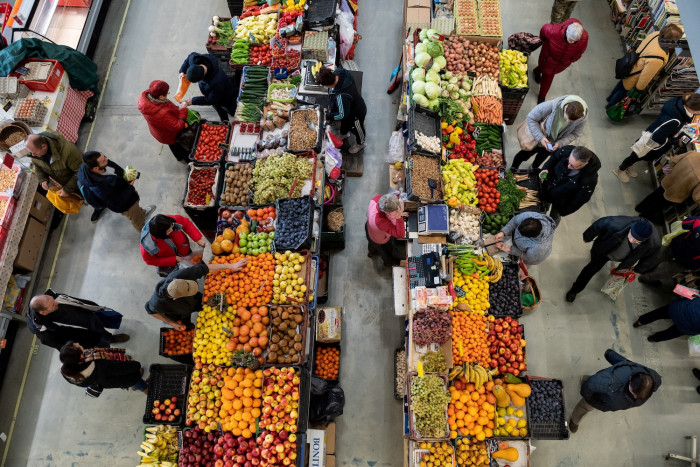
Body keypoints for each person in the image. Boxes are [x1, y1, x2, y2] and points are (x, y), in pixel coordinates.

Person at [566, 217, 660, 302]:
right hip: (605, 251)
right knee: (590, 269)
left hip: (626, 260)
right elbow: (600, 224)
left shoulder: (654, 243)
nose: (631, 240)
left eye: (636, 240)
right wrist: (587, 237)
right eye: (631, 235)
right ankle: (575, 289)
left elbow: (651, 258)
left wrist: (638, 270)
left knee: (616, 276)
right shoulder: (618, 224)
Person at [569, 348, 661, 434]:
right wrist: (589, 398)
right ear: (631, 378)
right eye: (633, 391)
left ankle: (586, 381)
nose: (635, 397)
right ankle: (575, 419)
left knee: (593, 386)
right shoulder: (613, 380)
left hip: (603, 391)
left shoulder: (652, 377)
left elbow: (628, 364)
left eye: (636, 395)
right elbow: (590, 386)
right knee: (586, 404)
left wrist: (610, 355)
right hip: (602, 387)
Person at [613, 94, 700, 182]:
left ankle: (628, 165)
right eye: (698, 111)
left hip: (653, 130)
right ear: (694, 109)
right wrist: (676, 142)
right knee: (638, 154)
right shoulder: (675, 120)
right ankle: (620, 169)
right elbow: (658, 137)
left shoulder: (679, 103)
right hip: (653, 140)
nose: (698, 113)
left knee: (639, 154)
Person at [145, 260, 247, 329]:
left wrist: (231, 266)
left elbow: (205, 268)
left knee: (204, 304)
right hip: (179, 312)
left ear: (176, 280)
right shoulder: (157, 303)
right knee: (186, 324)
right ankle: (189, 325)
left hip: (194, 301)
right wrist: (172, 323)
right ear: (176, 298)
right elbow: (150, 311)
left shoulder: (178, 275)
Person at [607, 24, 684, 109]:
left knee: (621, 84)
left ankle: (610, 97)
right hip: (635, 75)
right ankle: (611, 105)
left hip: (630, 66)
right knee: (623, 91)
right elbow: (646, 75)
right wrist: (639, 88)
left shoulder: (656, 34)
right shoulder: (659, 57)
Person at [28, 291, 128, 350]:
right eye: (52, 305)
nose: (56, 303)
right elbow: (64, 347)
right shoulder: (46, 334)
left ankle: (111, 339)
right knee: (101, 344)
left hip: (88, 319)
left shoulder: (52, 298)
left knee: (99, 328)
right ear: (43, 312)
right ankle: (108, 349)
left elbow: (74, 301)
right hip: (84, 336)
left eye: (52, 299)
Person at [78, 151, 156, 227]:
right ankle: (146, 234)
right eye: (103, 160)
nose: (107, 159)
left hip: (125, 190)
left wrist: (128, 176)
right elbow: (119, 202)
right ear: (95, 168)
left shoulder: (100, 164)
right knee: (138, 221)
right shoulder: (101, 188)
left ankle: (141, 213)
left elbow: (116, 168)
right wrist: (130, 186)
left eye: (104, 156)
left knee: (137, 207)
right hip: (126, 205)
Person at [511, 95, 588, 170]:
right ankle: (513, 168)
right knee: (523, 155)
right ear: (565, 107)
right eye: (566, 118)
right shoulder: (550, 106)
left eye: (571, 121)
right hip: (537, 138)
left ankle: (533, 168)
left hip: (553, 144)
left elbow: (574, 134)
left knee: (540, 159)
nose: (567, 122)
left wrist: (559, 143)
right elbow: (531, 118)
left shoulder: (582, 119)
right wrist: (540, 138)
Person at [634, 151, 700, 225]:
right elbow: (696, 197)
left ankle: (640, 207)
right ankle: (643, 216)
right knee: (660, 204)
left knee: (655, 195)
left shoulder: (694, 154)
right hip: (676, 193)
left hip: (668, 180)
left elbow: (673, 161)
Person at [539, 145, 600, 225]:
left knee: (554, 217)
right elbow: (553, 159)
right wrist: (545, 169)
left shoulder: (589, 180)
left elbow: (580, 200)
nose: (568, 166)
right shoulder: (565, 151)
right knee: (542, 207)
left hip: (561, 200)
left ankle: (550, 227)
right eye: (568, 161)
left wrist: (563, 211)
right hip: (548, 188)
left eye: (573, 166)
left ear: (585, 164)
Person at [59, 341, 148, 393]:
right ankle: (146, 389)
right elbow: (124, 368)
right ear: (81, 357)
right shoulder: (100, 366)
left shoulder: (69, 370)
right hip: (126, 378)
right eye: (76, 346)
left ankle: (134, 385)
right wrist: (136, 365)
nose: (78, 343)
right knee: (137, 382)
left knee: (131, 382)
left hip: (111, 381)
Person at [534, 19, 588, 103]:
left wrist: (571, 60)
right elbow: (543, 32)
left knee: (546, 72)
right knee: (547, 77)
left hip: (561, 64)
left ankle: (536, 71)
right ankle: (542, 97)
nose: (572, 42)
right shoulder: (552, 31)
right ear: (566, 32)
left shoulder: (584, 38)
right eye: (570, 39)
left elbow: (580, 52)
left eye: (574, 41)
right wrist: (545, 45)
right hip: (548, 59)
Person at [316, 66, 368, 154]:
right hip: (348, 108)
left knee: (357, 129)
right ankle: (344, 133)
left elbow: (342, 115)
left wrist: (327, 116)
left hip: (355, 114)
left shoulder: (342, 96)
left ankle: (361, 143)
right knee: (344, 123)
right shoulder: (340, 72)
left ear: (328, 85)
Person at [639, 216, 700, 288]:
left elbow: (685, 223)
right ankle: (645, 278)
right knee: (667, 271)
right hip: (689, 261)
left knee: (659, 256)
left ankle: (641, 268)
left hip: (679, 244)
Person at [137, 80, 191, 162]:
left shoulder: (148, 98)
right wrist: (183, 109)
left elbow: (167, 107)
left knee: (172, 145)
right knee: (179, 146)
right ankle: (188, 160)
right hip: (170, 134)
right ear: (161, 97)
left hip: (161, 133)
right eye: (167, 93)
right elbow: (178, 126)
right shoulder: (161, 113)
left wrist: (177, 108)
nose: (167, 95)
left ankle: (179, 157)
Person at [141, 214, 206, 277]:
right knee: (184, 276)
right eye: (168, 231)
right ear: (160, 235)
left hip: (184, 250)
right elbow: (149, 260)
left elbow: (186, 223)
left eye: (171, 226)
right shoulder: (148, 245)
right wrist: (173, 259)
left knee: (196, 263)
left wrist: (197, 238)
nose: (172, 230)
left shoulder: (168, 221)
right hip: (170, 261)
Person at [178, 52, 236, 122]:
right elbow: (189, 57)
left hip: (225, 96)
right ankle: (224, 120)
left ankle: (234, 115)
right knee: (217, 108)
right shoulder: (194, 60)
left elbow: (211, 100)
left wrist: (192, 101)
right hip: (211, 95)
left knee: (229, 108)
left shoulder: (217, 81)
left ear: (202, 78)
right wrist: (182, 71)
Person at [366, 193, 407, 268]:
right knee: (384, 252)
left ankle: (371, 253)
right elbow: (400, 234)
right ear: (387, 212)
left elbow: (392, 198)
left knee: (371, 244)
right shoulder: (380, 221)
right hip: (379, 238)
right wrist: (398, 217)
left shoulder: (378, 198)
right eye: (395, 210)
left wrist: (399, 213)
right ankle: (388, 264)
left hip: (369, 227)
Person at [634, 296, 700, 342]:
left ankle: (640, 322)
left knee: (659, 313)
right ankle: (653, 338)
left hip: (680, 308)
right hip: (689, 327)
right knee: (672, 333)